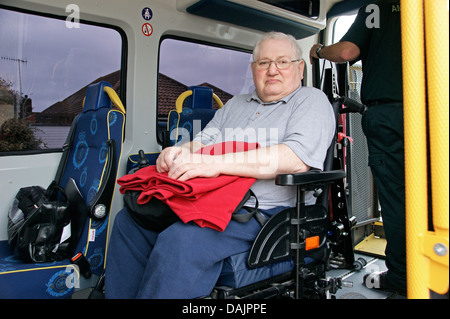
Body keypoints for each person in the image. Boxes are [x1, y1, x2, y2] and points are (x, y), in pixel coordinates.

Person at [105, 31, 335, 298]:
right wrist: (177, 151)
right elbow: (202, 142)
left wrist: (214, 164)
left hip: (265, 213)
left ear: (300, 68)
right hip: (210, 199)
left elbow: (295, 159)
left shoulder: (310, 101)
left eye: (283, 62)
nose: (272, 70)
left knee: (181, 241)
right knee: (128, 222)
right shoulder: (235, 104)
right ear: (253, 69)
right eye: (263, 63)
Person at [310, 0, 406, 295]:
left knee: (397, 199)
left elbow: (347, 51)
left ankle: (403, 278)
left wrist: (318, 51)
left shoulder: (378, 6)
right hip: (435, 113)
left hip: (390, 115)